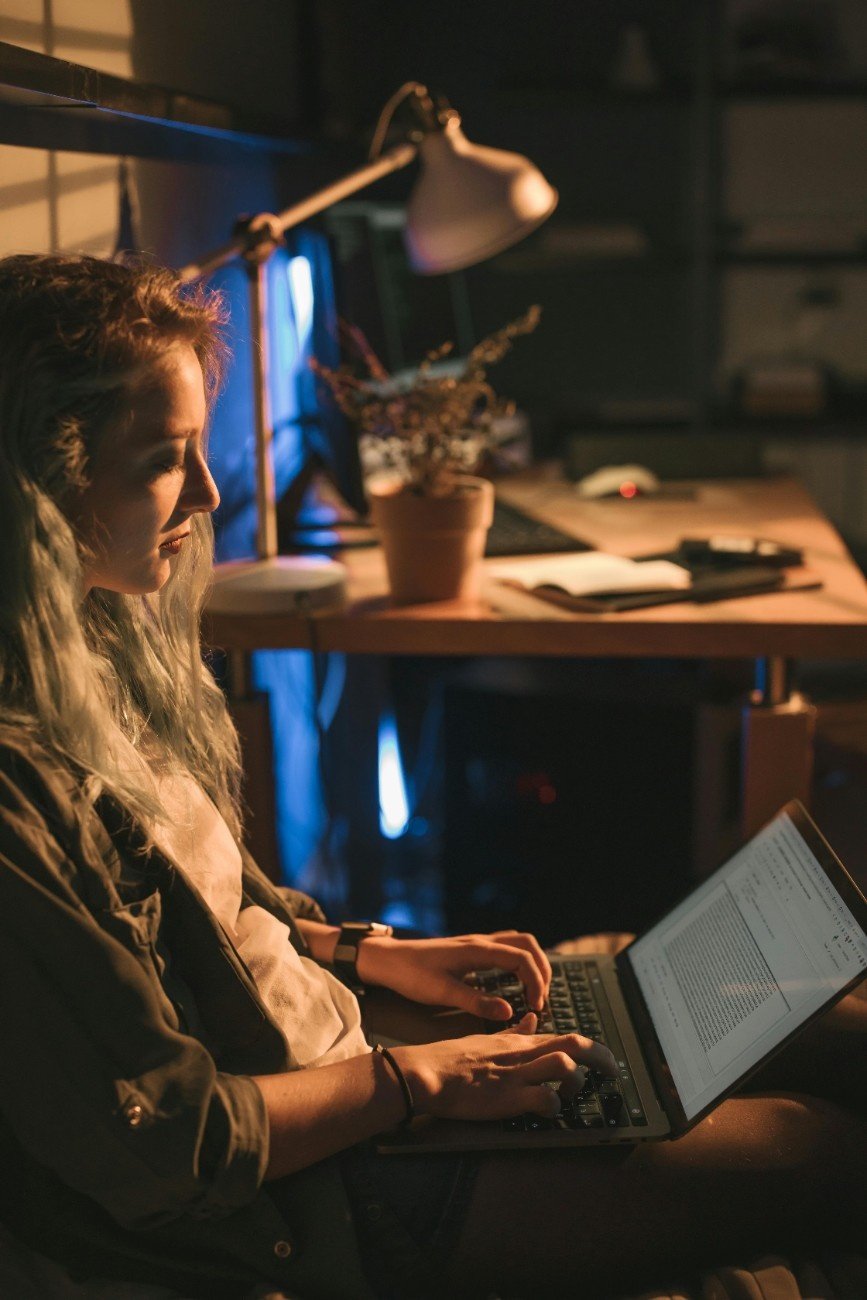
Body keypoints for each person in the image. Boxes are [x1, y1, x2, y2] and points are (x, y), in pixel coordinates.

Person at [0, 253, 864, 1300]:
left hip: (366, 1058)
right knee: (818, 1148)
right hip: (332, 1182)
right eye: (163, 459)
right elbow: (176, 1143)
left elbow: (219, 917)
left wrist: (372, 955)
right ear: (37, 484)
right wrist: (417, 1084)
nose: (214, 493)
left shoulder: (95, 647)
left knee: (816, 1023)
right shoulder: (16, 791)